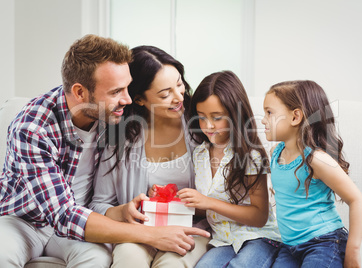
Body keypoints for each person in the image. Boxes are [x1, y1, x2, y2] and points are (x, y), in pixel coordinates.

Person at [0, 35, 209, 267]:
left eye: (128, 88)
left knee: (97, 259)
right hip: (24, 221)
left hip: (78, 225)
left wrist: (123, 211)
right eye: (116, 91)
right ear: (80, 93)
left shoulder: (113, 119)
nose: (127, 99)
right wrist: (152, 235)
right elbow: (64, 215)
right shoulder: (33, 128)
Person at [90, 45, 210, 268]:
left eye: (179, 84)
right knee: (128, 260)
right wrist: (126, 210)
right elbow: (98, 204)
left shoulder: (201, 124)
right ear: (139, 99)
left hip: (193, 228)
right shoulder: (119, 136)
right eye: (165, 94)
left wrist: (186, 203)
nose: (178, 97)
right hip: (141, 229)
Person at [177, 70, 282, 268]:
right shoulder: (199, 154)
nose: (208, 125)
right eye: (201, 117)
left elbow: (259, 216)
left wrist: (208, 202)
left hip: (257, 237)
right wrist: (174, 198)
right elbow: (205, 206)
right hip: (222, 240)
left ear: (235, 115)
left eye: (217, 117)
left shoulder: (250, 155)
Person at [262, 80, 362, 268]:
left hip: (324, 242)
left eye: (269, 113)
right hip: (290, 247)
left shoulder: (316, 160)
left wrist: (353, 251)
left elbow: (357, 200)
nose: (262, 119)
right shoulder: (275, 153)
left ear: (295, 117)